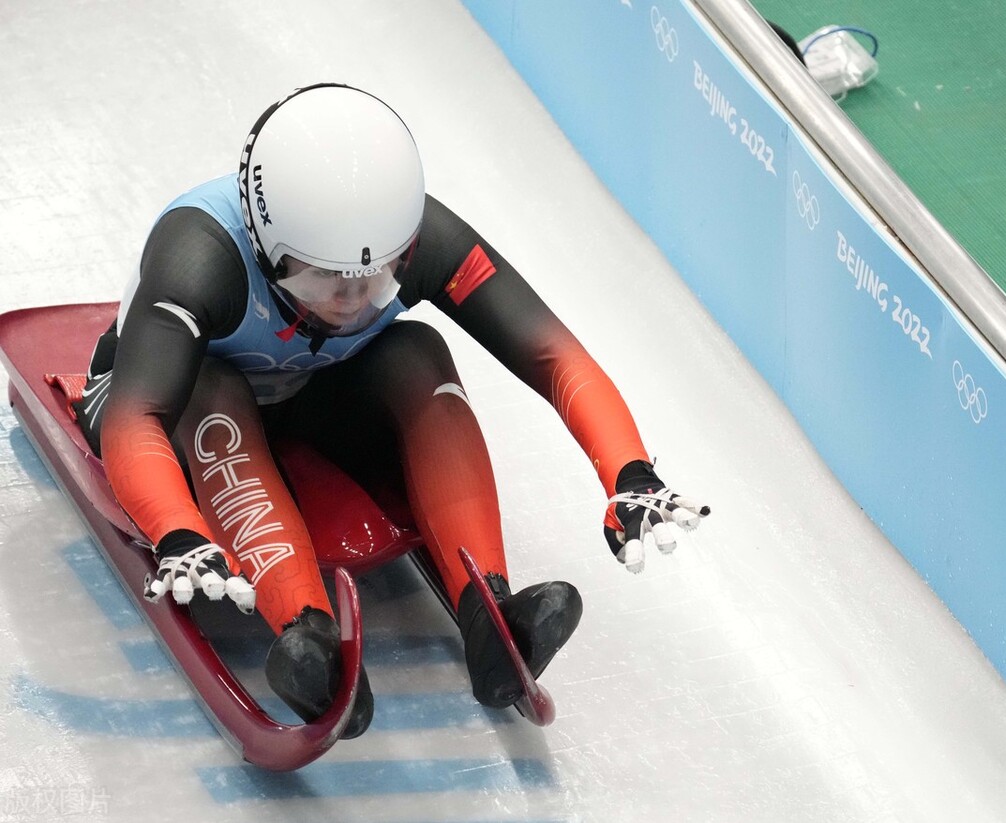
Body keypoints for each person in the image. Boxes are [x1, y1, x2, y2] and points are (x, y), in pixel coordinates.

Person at [75, 83, 709, 738]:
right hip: (171, 397)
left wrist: (629, 470)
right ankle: (307, 634)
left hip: (308, 389)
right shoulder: (198, 256)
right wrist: (178, 529)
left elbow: (552, 354)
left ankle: (488, 605)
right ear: (268, 249)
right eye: (324, 280)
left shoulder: (426, 238)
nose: (351, 301)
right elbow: (136, 417)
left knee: (416, 350)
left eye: (376, 279)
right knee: (213, 389)